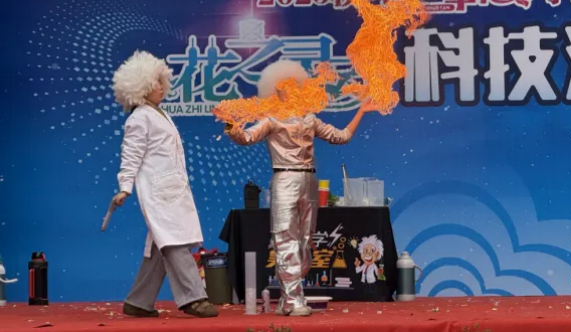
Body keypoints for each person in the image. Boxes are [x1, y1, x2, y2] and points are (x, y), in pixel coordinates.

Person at [226, 60, 377, 317]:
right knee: (285, 239)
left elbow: (341, 137)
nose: (291, 90)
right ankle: (295, 300)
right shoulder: (271, 119)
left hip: (309, 182)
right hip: (284, 179)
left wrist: (361, 111)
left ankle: (287, 299)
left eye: (294, 85)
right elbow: (246, 137)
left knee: (306, 243)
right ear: (277, 91)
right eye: (284, 86)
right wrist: (231, 126)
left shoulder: (310, 119)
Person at [111, 51, 218, 319]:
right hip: (159, 193)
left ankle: (138, 301)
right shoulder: (139, 119)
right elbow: (131, 156)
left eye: (162, 82)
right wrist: (125, 187)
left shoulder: (159, 114)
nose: (162, 87)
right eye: (156, 83)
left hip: (172, 189)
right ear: (141, 87)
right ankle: (194, 297)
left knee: (162, 244)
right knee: (175, 241)